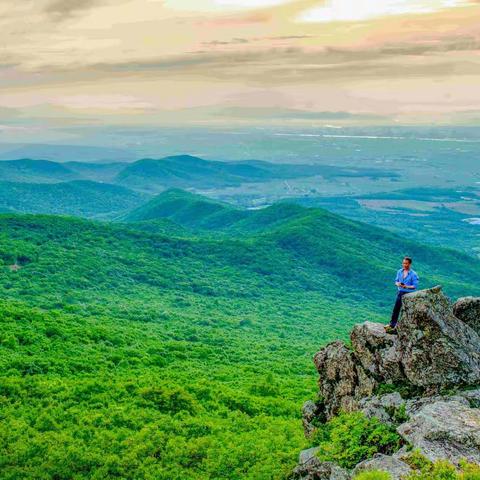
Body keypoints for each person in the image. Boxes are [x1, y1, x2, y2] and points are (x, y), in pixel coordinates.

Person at [385, 256, 419, 334]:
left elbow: (415, 286)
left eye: (406, 263)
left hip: (409, 294)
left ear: (410, 264)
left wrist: (406, 286)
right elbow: (396, 281)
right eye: (403, 263)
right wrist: (398, 284)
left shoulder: (413, 274)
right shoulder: (399, 271)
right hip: (400, 293)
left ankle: (406, 327)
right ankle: (392, 325)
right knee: (396, 309)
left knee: (407, 311)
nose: (404, 265)